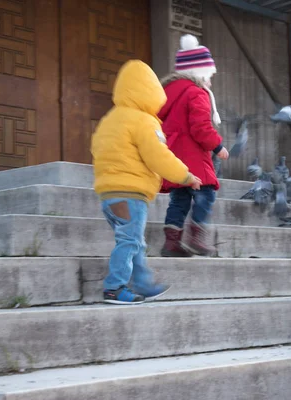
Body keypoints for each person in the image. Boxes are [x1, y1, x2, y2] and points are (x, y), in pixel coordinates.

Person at [91, 59, 202, 305]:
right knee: (130, 241)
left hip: (109, 195)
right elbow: (159, 156)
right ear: (150, 92)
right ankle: (114, 288)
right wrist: (186, 176)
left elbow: (97, 147)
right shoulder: (144, 121)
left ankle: (142, 283)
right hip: (131, 195)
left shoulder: (110, 119)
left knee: (135, 242)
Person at [159, 34, 229, 257]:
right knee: (205, 194)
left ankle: (172, 243)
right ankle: (196, 236)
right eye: (209, 76)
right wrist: (218, 147)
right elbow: (200, 127)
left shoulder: (168, 93)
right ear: (199, 74)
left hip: (174, 156)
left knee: (179, 199)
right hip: (193, 156)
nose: (210, 82)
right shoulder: (196, 93)